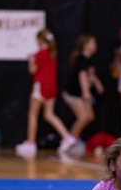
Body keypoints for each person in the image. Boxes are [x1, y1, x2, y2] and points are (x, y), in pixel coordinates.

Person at [15, 29, 76, 158]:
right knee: (49, 114)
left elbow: (33, 70)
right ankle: (67, 137)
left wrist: (31, 60)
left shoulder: (40, 53)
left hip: (40, 86)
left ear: (40, 40)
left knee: (33, 115)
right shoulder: (52, 53)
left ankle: (31, 144)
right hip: (51, 87)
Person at [63, 34, 105, 149]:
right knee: (83, 117)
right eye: (93, 43)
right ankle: (68, 142)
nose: (95, 45)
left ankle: (75, 139)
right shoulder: (81, 59)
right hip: (73, 93)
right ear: (85, 45)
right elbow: (82, 75)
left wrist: (98, 84)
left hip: (80, 94)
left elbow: (90, 74)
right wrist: (86, 92)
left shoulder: (89, 59)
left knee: (90, 117)